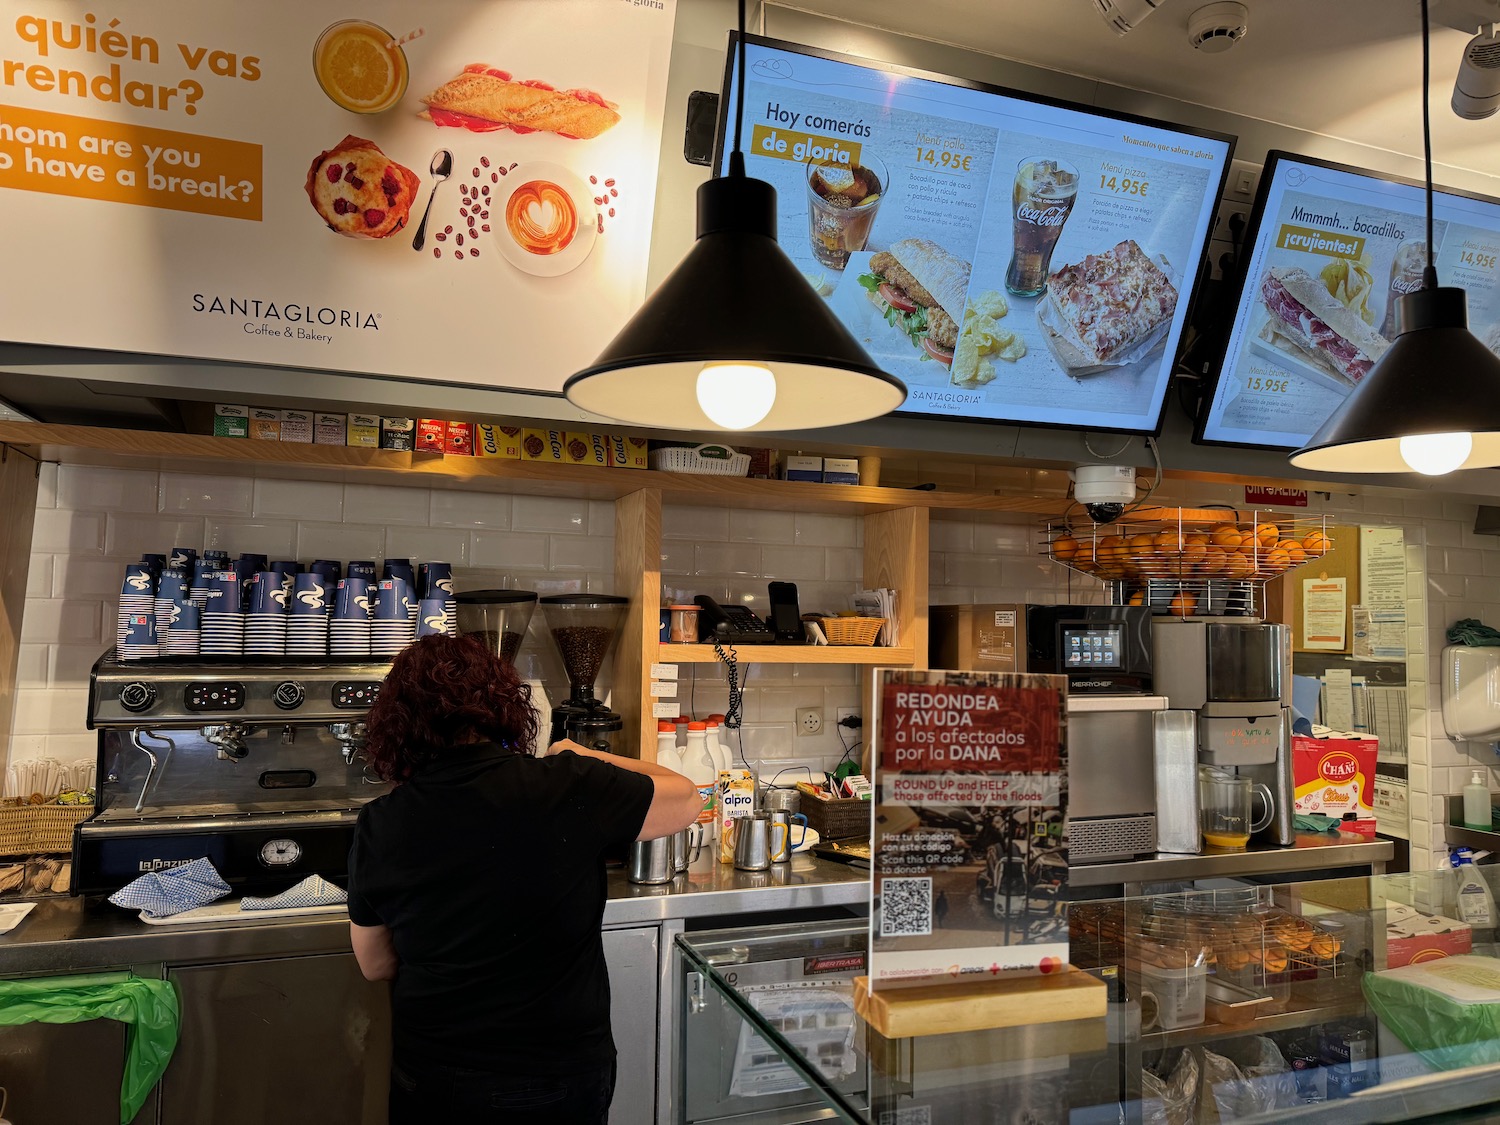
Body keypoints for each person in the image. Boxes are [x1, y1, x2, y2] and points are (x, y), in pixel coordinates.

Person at [346, 634, 703, 1124]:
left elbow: (374, 963)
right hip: (550, 1074)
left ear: (399, 725)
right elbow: (686, 797)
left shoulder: (381, 822)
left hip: (431, 1074)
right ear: (503, 706)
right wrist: (582, 754)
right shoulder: (567, 786)